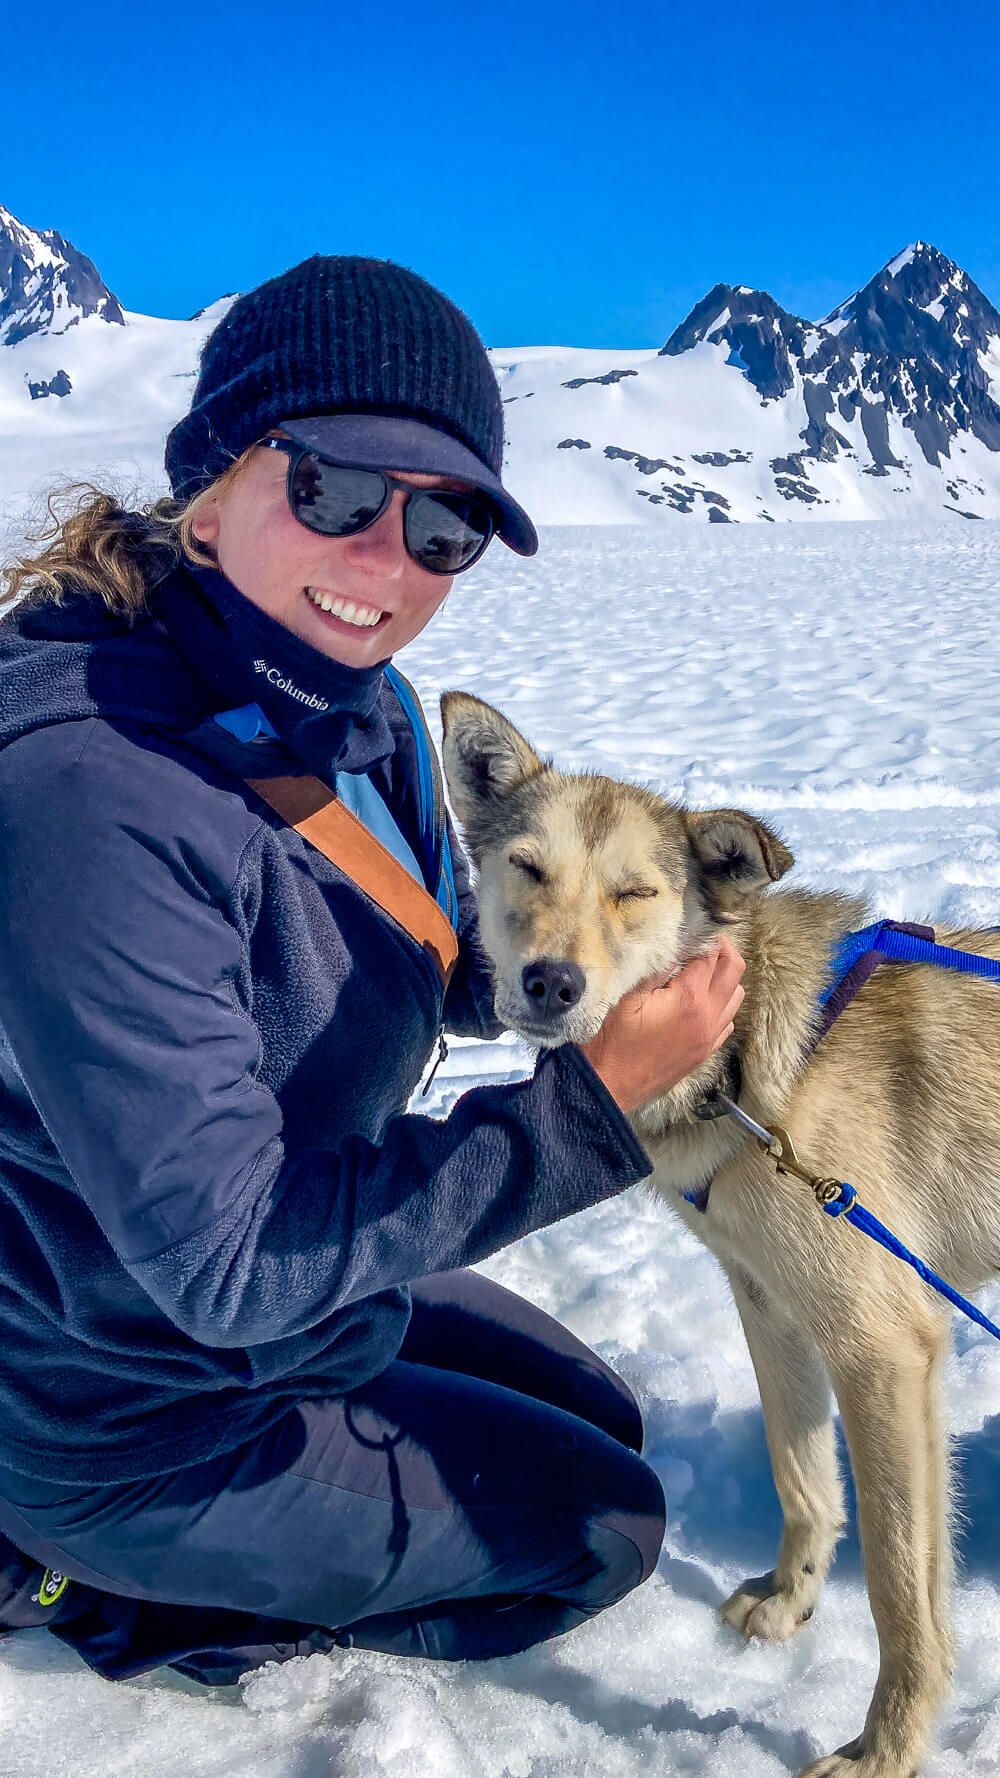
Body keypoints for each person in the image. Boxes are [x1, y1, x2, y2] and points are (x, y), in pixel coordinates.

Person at [0, 255, 745, 1684]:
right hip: (134, 1402)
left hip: (257, 1298)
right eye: (338, 489)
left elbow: (416, 939)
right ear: (215, 480)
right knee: (606, 1526)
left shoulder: (351, 701)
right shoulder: (98, 796)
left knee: (602, 1408)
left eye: (446, 523)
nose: (386, 562)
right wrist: (586, 1111)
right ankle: (75, 1587)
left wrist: (590, 969)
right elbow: (228, 1263)